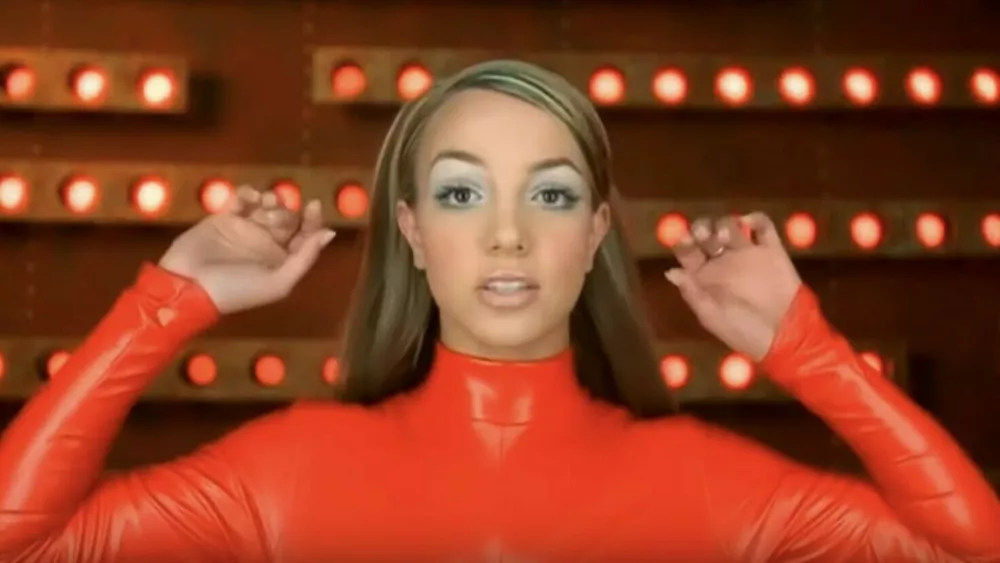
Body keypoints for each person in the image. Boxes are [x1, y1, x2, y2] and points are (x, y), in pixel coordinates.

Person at [0, 59, 997, 563]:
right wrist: (168, 302)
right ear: (412, 228)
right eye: (462, 192)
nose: (508, 234)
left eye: (551, 194)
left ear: (595, 232)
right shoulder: (287, 468)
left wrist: (807, 348)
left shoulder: (705, 481)